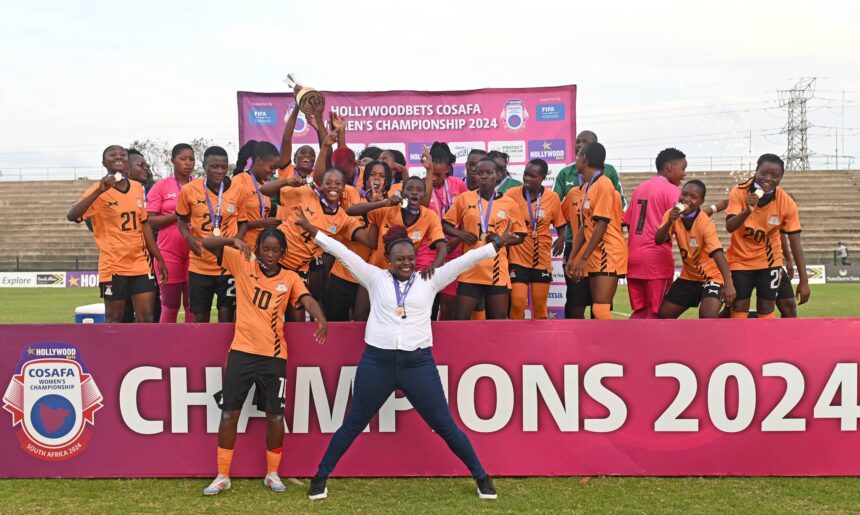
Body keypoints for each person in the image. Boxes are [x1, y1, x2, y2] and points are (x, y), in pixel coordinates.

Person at [296, 214, 517, 501]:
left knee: (445, 425)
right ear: (388, 259)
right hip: (377, 363)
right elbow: (343, 253)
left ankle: (482, 477)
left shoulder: (430, 279)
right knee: (353, 423)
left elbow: (466, 261)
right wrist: (313, 230)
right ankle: (320, 477)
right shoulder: (374, 277)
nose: (406, 263)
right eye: (400, 259)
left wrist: (497, 242)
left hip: (418, 364)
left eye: (411, 258)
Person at [200, 228, 326, 496]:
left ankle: (272, 473)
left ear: (283, 253)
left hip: (274, 356)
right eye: (265, 249)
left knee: (275, 415)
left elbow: (306, 298)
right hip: (242, 352)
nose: (269, 255)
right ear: (257, 248)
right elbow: (207, 243)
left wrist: (320, 317)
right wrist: (232, 240)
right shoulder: (242, 261)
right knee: (229, 413)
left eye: (275, 250)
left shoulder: (290, 277)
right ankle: (222, 475)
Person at [67, 145, 168, 323]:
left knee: (147, 317)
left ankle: (144, 351)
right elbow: (72, 215)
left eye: (122, 154)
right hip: (113, 265)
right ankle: (114, 351)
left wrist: (158, 258)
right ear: (104, 163)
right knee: (115, 318)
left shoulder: (137, 188)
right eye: (112, 155)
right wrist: (100, 190)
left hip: (140, 263)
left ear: (127, 161)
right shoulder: (97, 190)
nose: (118, 157)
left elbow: (144, 225)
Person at [725, 153, 810, 318]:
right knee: (739, 305)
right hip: (740, 261)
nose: (768, 179)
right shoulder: (739, 191)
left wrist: (804, 280)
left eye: (775, 176)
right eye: (764, 173)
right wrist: (747, 210)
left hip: (769, 261)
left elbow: (795, 243)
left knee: (766, 306)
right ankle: (737, 342)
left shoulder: (786, 202)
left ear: (780, 179)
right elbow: (730, 226)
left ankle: (766, 342)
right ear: (756, 171)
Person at [552, 130, 625, 319]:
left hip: (607, 252)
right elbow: (584, 228)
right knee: (591, 308)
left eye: (577, 156)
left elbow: (601, 225)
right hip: (593, 253)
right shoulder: (585, 188)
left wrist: (583, 258)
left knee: (600, 310)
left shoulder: (604, 184)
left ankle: (619, 348)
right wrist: (574, 257)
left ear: (583, 158)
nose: (575, 160)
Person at [443, 157, 526, 319]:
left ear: (498, 175)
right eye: (480, 173)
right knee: (460, 320)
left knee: (497, 322)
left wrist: (502, 240)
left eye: (489, 172)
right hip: (470, 269)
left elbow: (521, 235)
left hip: (496, 271)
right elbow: (445, 224)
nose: (483, 176)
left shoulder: (509, 203)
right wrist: (461, 234)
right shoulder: (465, 198)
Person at [176, 146, 247, 323]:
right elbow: (181, 221)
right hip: (200, 264)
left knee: (227, 315)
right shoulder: (189, 190)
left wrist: (235, 242)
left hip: (228, 264)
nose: (220, 171)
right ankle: (201, 350)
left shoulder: (238, 190)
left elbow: (243, 223)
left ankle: (224, 351)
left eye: (224, 167)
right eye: (214, 166)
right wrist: (188, 237)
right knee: (200, 317)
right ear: (204, 166)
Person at [655, 180, 736, 318]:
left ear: (701, 201)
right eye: (684, 194)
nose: (686, 199)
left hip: (712, 277)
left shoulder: (705, 222)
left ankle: (728, 312)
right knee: (664, 315)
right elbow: (658, 240)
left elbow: (717, 253)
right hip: (689, 277)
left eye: (693, 197)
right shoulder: (672, 214)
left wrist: (728, 284)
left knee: (707, 317)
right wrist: (669, 222)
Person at [324, 160, 393, 321]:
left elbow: (375, 242)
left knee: (362, 326)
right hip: (342, 274)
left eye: (382, 176)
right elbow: (349, 212)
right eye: (373, 175)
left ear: (388, 180)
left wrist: (382, 204)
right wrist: (376, 204)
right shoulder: (353, 197)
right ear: (365, 178)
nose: (377, 179)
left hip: (370, 279)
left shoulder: (391, 207)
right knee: (335, 324)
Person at [623, 147, 686, 319]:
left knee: (640, 311)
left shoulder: (640, 188)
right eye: (683, 168)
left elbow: (627, 222)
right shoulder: (672, 191)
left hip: (634, 259)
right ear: (670, 167)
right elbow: (687, 221)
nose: (684, 174)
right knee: (657, 312)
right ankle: (651, 346)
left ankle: (626, 344)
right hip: (655, 262)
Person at [504, 159, 567, 319]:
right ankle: (515, 340)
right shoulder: (511, 195)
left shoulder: (552, 198)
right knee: (517, 303)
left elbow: (560, 225)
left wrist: (562, 237)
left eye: (533, 176)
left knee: (540, 306)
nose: (527, 179)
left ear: (543, 177)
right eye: (526, 174)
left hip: (541, 259)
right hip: (517, 257)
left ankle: (542, 343)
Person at [147, 143, 196, 323]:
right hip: (168, 253)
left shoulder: (200, 186)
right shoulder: (160, 187)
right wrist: (179, 215)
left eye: (191, 159)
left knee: (193, 306)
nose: (188, 163)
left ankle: (192, 347)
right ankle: (165, 348)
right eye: (183, 159)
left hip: (195, 253)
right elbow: (151, 220)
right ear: (172, 160)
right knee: (170, 305)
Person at [421, 142, 469, 319]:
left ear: (448, 169)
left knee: (448, 303)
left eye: (439, 174)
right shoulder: (422, 185)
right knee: (427, 300)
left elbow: (467, 215)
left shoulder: (458, 185)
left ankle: (444, 342)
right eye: (433, 173)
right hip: (428, 250)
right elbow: (423, 206)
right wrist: (428, 175)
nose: (435, 178)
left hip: (453, 250)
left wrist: (457, 240)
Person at [233, 140, 282, 248]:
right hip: (242, 248)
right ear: (258, 160)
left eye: (276, 169)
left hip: (260, 248)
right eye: (272, 167)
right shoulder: (239, 181)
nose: (274, 172)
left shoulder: (266, 186)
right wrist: (262, 223)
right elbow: (229, 220)